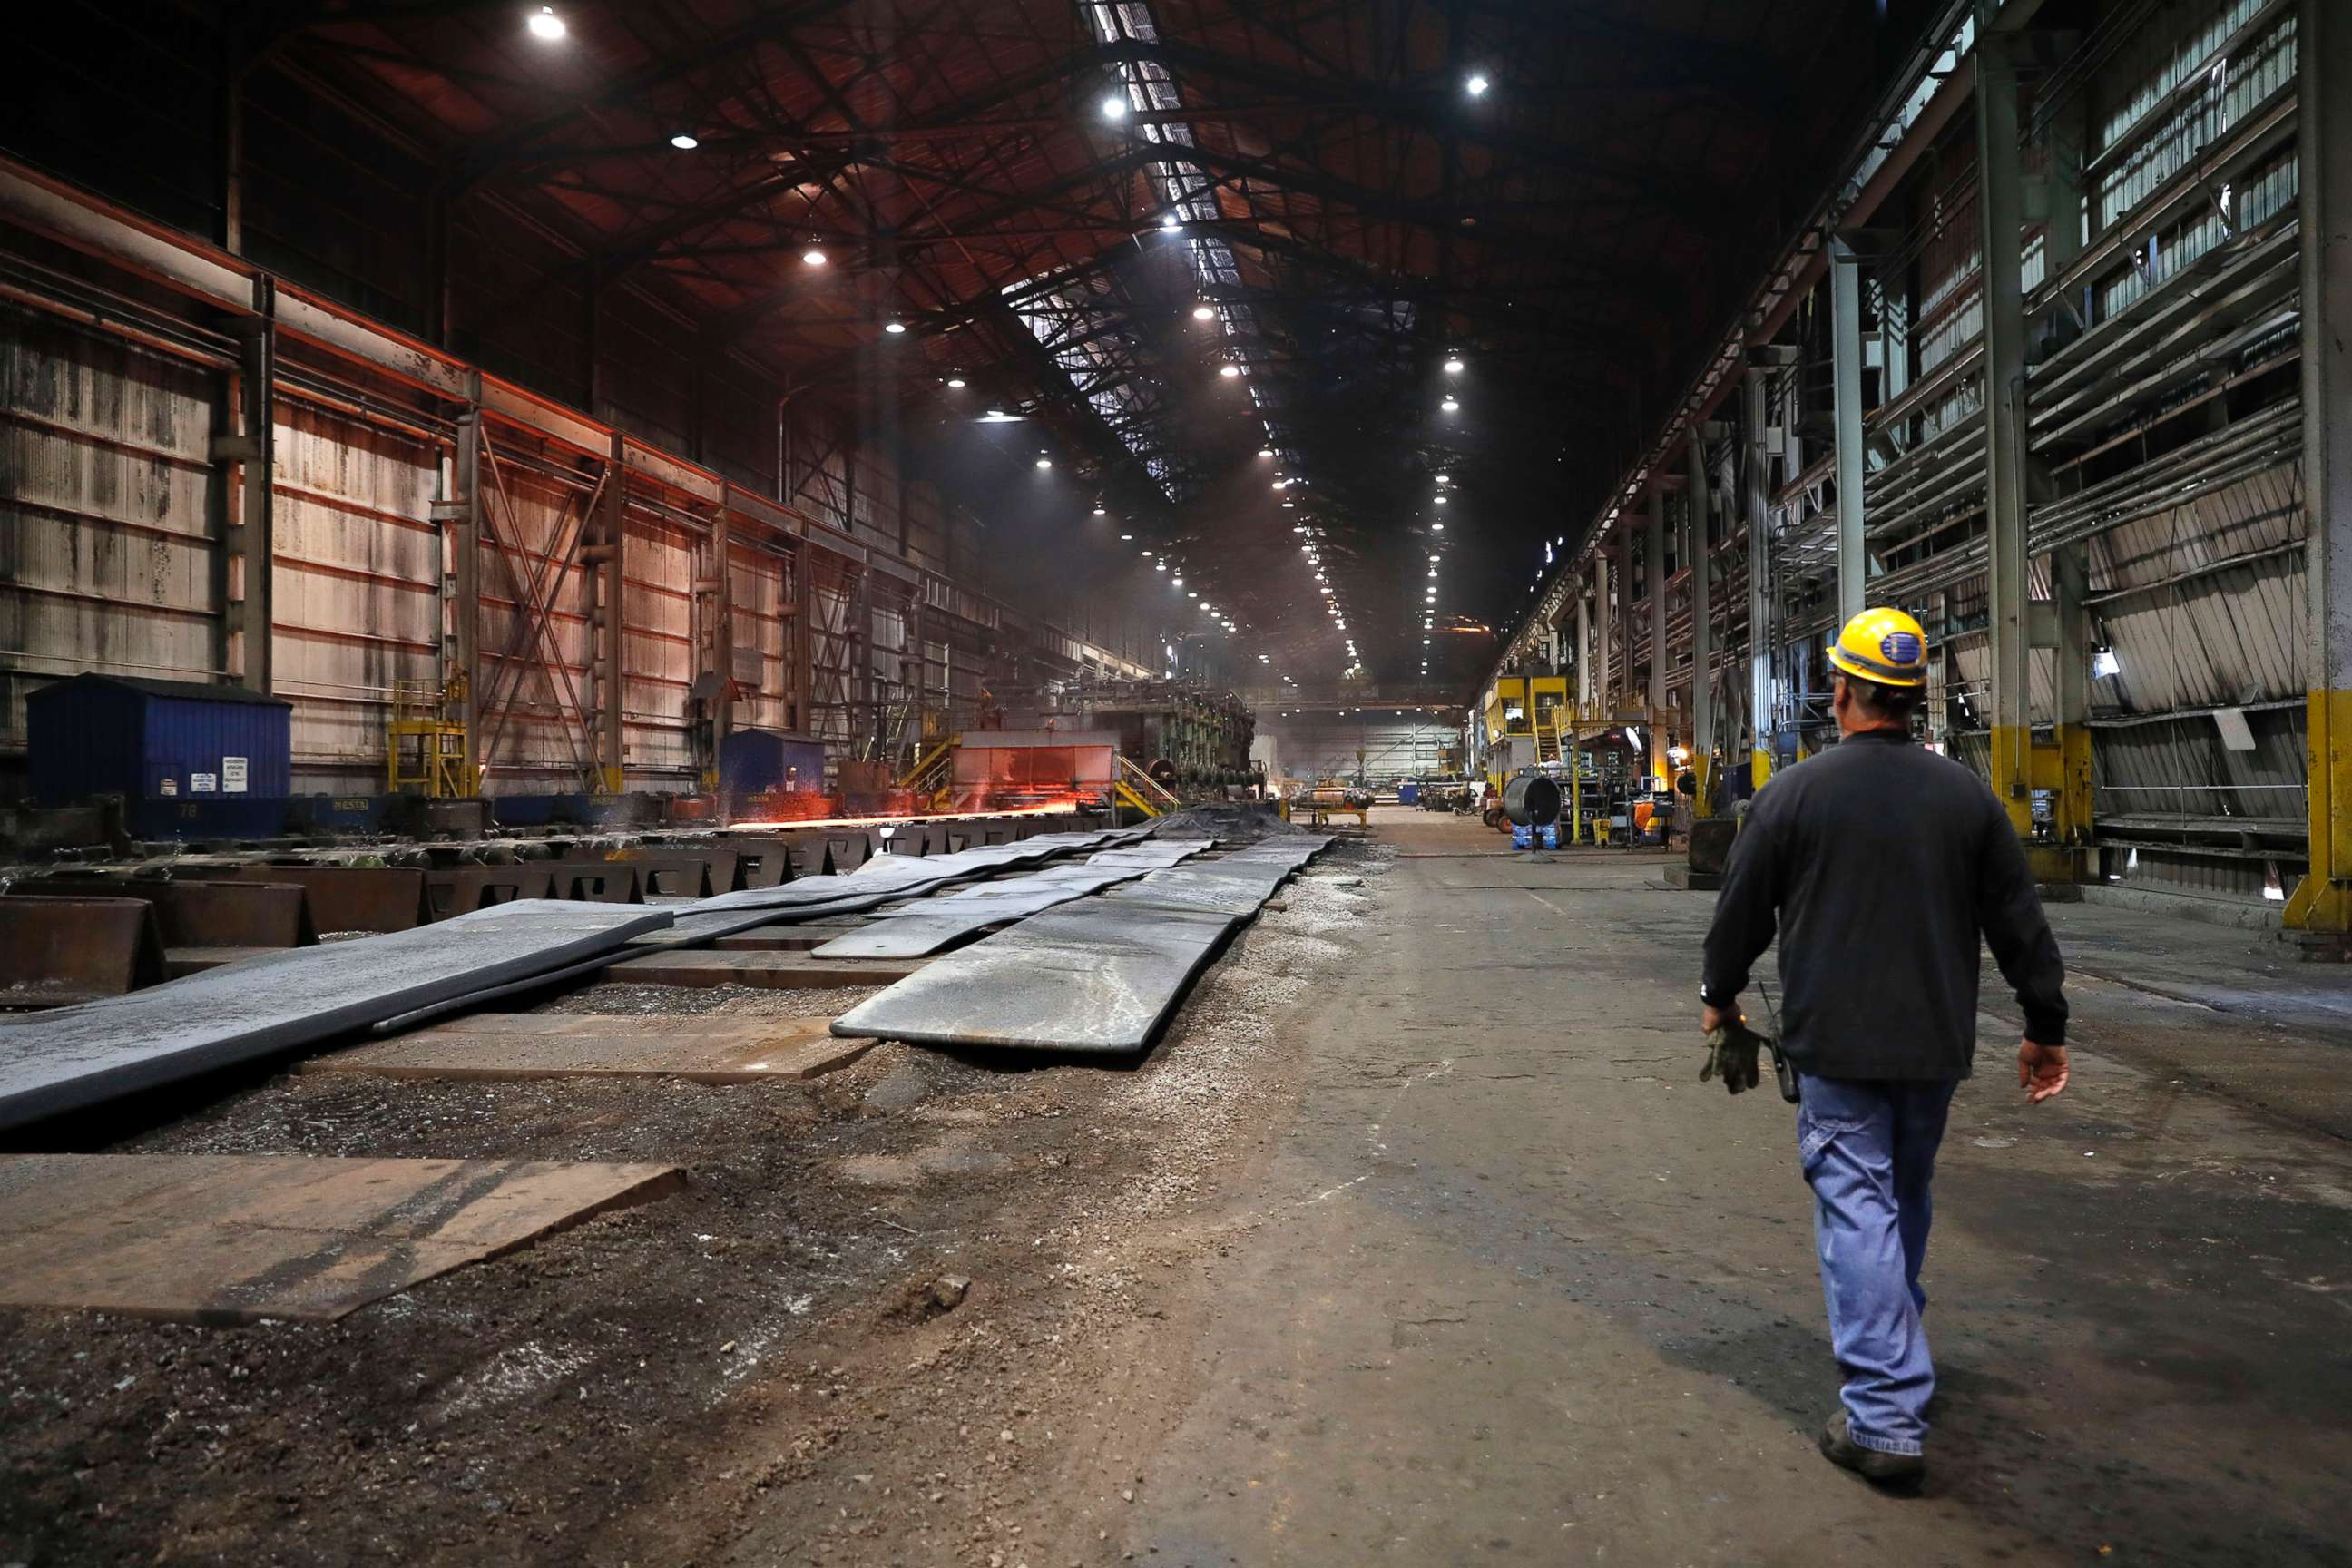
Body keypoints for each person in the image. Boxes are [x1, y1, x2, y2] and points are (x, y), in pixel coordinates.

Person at [1698, 606, 2071, 1485]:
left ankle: (1885, 1416)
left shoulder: (1794, 795)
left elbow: (1738, 917)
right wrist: (2045, 1028)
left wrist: (1719, 997)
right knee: (1902, 1199)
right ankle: (1899, 1360)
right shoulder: (1968, 800)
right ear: (1913, 697)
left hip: (1839, 1045)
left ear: (1843, 692)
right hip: (1935, 1046)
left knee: (1859, 1209)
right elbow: (2022, 927)